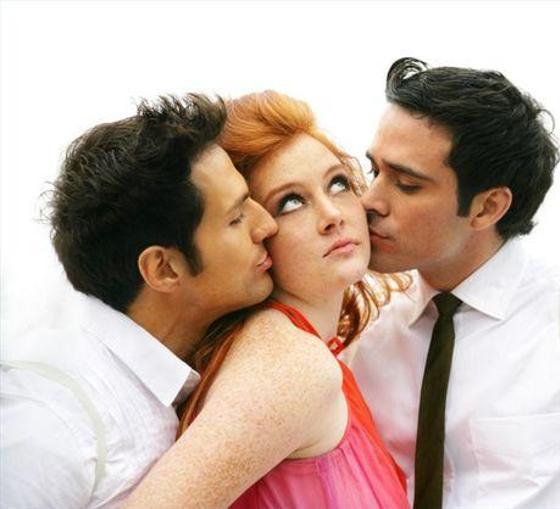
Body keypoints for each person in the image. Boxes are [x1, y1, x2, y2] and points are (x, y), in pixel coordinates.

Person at [350, 57, 560, 509]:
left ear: (487, 207)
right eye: (374, 171)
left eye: (406, 184)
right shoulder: (367, 338)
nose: (369, 201)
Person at [124, 91, 410, 509]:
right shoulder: (291, 365)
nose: (332, 214)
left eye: (338, 183)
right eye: (291, 202)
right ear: (253, 232)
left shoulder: (304, 352)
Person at [0, 94, 278, 508]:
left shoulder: (179, 379)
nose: (267, 225)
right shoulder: (54, 424)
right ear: (163, 269)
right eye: (236, 218)